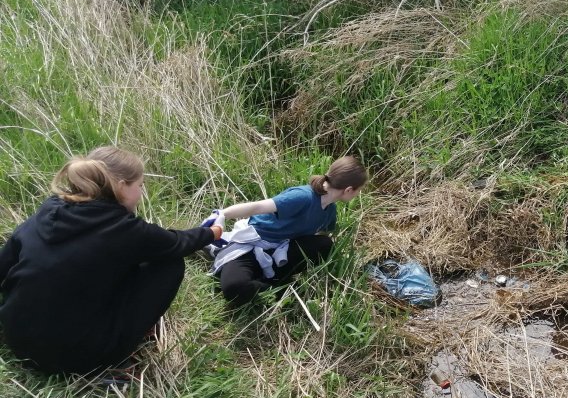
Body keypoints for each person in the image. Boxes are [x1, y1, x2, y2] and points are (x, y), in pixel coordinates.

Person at [0, 146, 224, 375]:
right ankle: (127, 341)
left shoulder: (49, 210)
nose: (140, 193)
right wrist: (213, 232)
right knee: (169, 263)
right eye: (139, 186)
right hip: (77, 357)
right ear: (120, 186)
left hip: (18, 341)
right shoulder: (124, 229)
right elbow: (176, 243)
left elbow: (4, 262)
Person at [208, 156, 367, 307]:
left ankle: (272, 281)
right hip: (251, 245)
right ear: (348, 190)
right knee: (234, 288)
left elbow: (320, 239)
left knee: (325, 244)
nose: (358, 194)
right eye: (359, 190)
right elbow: (257, 207)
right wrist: (222, 214)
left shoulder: (330, 210)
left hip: (280, 250)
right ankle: (275, 289)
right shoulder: (302, 196)